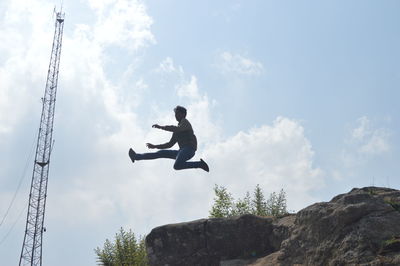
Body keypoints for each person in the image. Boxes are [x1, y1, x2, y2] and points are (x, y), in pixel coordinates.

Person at [129, 106, 209, 172]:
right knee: (160, 153)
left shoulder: (185, 122)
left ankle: (199, 164)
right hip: (181, 151)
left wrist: (161, 127)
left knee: (177, 166)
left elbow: (178, 129)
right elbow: (170, 144)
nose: (176, 115)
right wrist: (155, 146)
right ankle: (136, 156)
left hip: (189, 150)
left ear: (183, 114)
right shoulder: (177, 130)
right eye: (175, 114)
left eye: (177, 113)